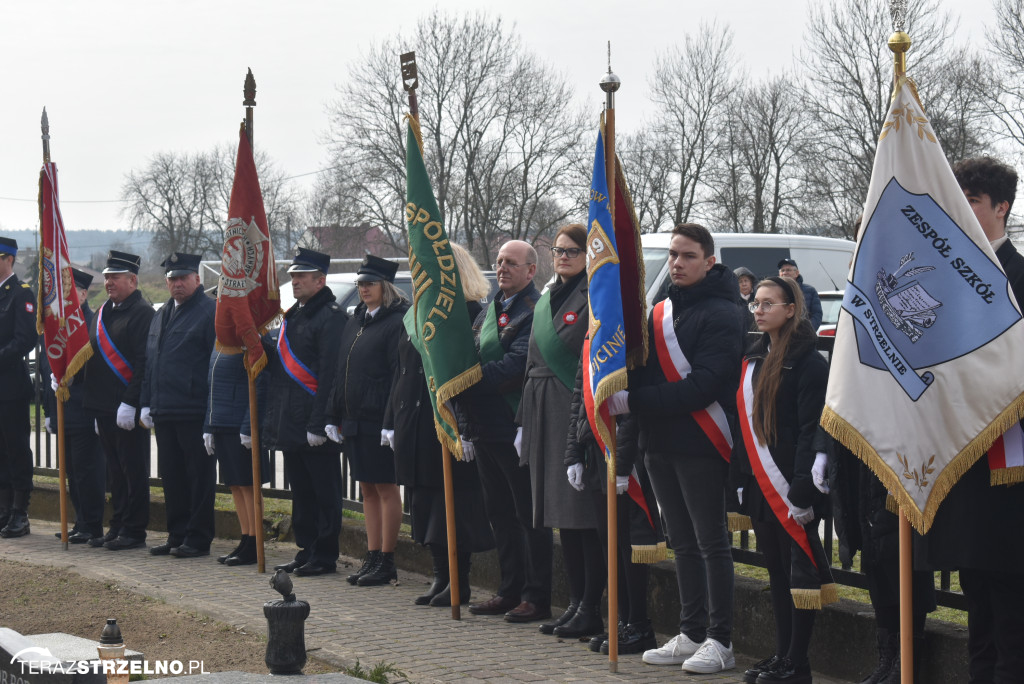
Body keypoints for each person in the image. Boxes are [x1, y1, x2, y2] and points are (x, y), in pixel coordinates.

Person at [612, 223, 744, 674]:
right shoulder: (661, 311)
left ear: (709, 261)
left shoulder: (725, 313)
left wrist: (635, 400)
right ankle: (691, 631)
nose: (676, 263)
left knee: (711, 543)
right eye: (672, 255)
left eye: (688, 256)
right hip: (660, 443)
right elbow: (645, 372)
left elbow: (701, 387)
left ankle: (720, 639)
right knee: (682, 543)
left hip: (701, 442)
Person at [925, 156, 1024, 683]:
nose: (961, 210)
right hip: (961, 456)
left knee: (1010, 597)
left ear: (1001, 207)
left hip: (1010, 462)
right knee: (974, 594)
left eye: (973, 201)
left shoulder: (1021, 277)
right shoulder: (944, 277)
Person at [732, 277, 835, 684]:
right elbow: (745, 426)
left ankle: (799, 664)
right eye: (755, 303)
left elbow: (812, 429)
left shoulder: (809, 361)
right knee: (775, 571)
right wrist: (740, 477)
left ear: (791, 309)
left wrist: (802, 491)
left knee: (800, 575)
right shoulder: (755, 356)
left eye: (768, 304)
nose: (758, 310)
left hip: (794, 486)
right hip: (762, 482)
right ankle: (782, 654)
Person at [383, 243, 494, 606]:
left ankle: (458, 581)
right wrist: (391, 421)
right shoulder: (416, 315)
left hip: (446, 421)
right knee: (425, 504)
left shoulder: (469, 313)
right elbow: (400, 373)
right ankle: (439, 575)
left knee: (452, 508)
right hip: (413, 421)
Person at [454, 239, 553, 623]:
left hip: (513, 427)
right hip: (484, 427)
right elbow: (469, 354)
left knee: (527, 515)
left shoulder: (534, 311)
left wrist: (463, 381)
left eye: (512, 263)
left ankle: (536, 595)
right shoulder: (488, 312)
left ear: (531, 270)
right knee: (499, 514)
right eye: (499, 262)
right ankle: (509, 589)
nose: (503, 268)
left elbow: (515, 367)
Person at [517, 224, 604, 638]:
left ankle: (591, 605)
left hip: (572, 410)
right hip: (541, 409)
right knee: (559, 517)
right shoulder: (549, 296)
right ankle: (574, 602)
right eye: (558, 250)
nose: (564, 256)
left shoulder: (595, 295)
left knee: (581, 515)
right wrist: (522, 419)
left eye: (573, 251)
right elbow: (531, 361)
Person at [565, 359, 665, 655]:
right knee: (608, 539)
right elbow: (580, 396)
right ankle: (623, 621)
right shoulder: (592, 334)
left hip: (623, 449)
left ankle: (639, 624)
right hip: (595, 443)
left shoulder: (630, 336)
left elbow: (632, 407)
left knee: (629, 542)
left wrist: (622, 463)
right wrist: (573, 452)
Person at [325, 255, 408, 586]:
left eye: (370, 283)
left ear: (385, 287)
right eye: (360, 284)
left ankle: (387, 559)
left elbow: (396, 375)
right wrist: (333, 413)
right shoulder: (355, 320)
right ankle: (372, 555)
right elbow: (340, 368)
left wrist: (391, 420)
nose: (363, 289)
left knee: (386, 487)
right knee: (367, 489)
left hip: (379, 419)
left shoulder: (396, 321)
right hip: (354, 417)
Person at [264, 248, 347, 577]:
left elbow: (329, 374)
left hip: (315, 423)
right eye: (293, 276)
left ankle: (325, 555)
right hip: (291, 419)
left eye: (302, 276)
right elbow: (284, 365)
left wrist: (321, 421)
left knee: (324, 493)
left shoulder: (331, 316)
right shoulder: (294, 314)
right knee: (301, 492)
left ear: (320, 280)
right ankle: (307, 549)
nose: (294, 281)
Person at [140, 253, 217, 558]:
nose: (177, 284)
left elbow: (213, 363)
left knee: (198, 476)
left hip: (193, 408)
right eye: (172, 279)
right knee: (171, 476)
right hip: (165, 408)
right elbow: (151, 361)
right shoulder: (162, 313)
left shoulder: (209, 312)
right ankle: (177, 534)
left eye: (183, 278)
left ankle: (198, 538)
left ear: (197, 279)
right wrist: (146, 401)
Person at [83, 250, 155, 550]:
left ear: (133, 280)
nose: (109, 281)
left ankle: (135, 530)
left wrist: (131, 401)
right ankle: (119, 523)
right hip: (103, 406)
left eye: (116, 277)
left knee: (133, 470)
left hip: (126, 407)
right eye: (108, 276)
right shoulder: (104, 312)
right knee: (115, 471)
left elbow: (143, 363)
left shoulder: (143, 313)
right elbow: (93, 357)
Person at [41, 268, 105, 543]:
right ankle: (80, 521)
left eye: (71, 293)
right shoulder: (59, 326)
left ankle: (92, 524)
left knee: (87, 470)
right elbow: (47, 369)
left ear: (82, 293)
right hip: (63, 409)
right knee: (70, 471)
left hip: (84, 409)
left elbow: (96, 370)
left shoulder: (91, 324)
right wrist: (47, 410)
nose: (66, 299)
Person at [204, 345, 269, 566]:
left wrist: (248, 426)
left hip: (240, 423)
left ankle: (254, 541)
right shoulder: (221, 341)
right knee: (235, 485)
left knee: (249, 485)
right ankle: (245, 537)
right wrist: (209, 424)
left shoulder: (248, 340)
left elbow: (260, 384)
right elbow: (211, 385)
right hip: (221, 421)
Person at [0, 237, 37, 538]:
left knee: (15, 449)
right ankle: (3, 510)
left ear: (8, 259)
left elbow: (26, 339)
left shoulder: (21, 294)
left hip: (10, 385)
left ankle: (19, 513)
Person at [776, 260, 822, 330]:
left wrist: (808, 331)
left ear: (797, 273)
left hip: (804, 336)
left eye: (788, 270)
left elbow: (817, 314)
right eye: (782, 270)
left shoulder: (810, 291)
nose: (785, 273)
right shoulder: (774, 291)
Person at [734, 266, 758, 332]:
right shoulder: (732, 302)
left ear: (751, 282)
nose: (744, 284)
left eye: (746, 280)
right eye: (740, 282)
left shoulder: (759, 299)